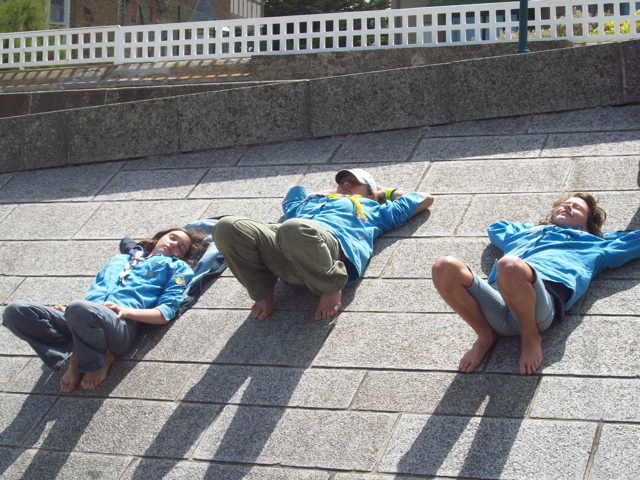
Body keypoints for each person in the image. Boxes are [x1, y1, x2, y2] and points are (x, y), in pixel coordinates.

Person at [432, 193, 640, 375]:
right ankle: (485, 335)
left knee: (509, 265)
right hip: (496, 302)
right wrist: (539, 230)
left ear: (587, 223)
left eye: (576, 208)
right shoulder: (527, 233)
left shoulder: (597, 244)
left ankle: (530, 335)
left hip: (538, 308)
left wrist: (603, 236)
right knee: (444, 266)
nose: (567, 207)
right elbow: (496, 227)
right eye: (565, 204)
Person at [213, 168, 434, 322]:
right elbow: (294, 195)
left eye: (354, 182)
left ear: (370, 192)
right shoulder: (311, 203)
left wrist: (384, 192)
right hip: (285, 248)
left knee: (294, 227)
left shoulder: (374, 209)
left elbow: (424, 198)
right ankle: (262, 291)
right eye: (342, 182)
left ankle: (330, 286)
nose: (346, 184)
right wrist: (326, 194)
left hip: (326, 249)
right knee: (227, 226)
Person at [3, 227, 205, 392]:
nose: (174, 245)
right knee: (16, 311)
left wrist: (125, 312)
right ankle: (73, 350)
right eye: (172, 238)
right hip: (87, 313)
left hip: (120, 323)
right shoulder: (120, 260)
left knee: (82, 309)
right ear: (159, 237)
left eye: (181, 247)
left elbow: (165, 313)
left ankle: (95, 360)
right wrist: (70, 312)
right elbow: (94, 292)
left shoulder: (177, 268)